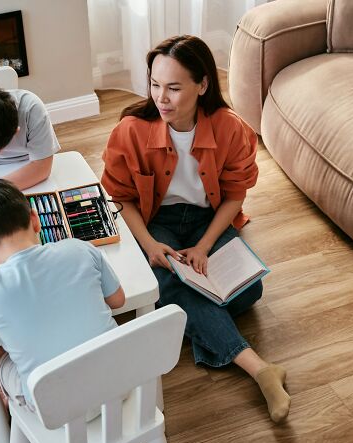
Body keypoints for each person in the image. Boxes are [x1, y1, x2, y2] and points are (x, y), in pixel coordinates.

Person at [100, 35, 290, 422]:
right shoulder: (130, 130)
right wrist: (150, 244)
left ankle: (193, 320)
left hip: (208, 219)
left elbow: (235, 196)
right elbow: (121, 199)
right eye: (155, 85)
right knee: (164, 280)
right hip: (158, 223)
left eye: (173, 87)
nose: (161, 97)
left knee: (247, 291)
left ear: (202, 85)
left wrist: (204, 246)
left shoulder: (231, 129)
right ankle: (259, 368)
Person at [0, 179, 125, 410]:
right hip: (122, 384)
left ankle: (10, 422)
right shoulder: (79, 248)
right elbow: (118, 300)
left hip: (56, 410)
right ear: (35, 219)